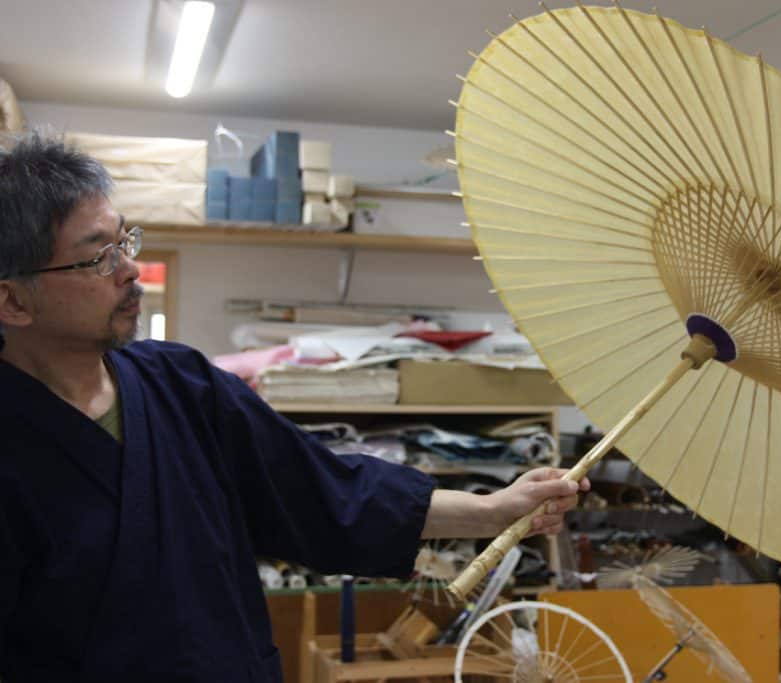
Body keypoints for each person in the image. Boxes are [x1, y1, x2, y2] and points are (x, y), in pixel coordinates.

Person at [0, 132, 586, 682]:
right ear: (13, 300)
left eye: (125, 240)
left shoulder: (182, 386)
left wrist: (497, 509)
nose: (129, 269)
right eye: (97, 257)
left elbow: (323, 488)